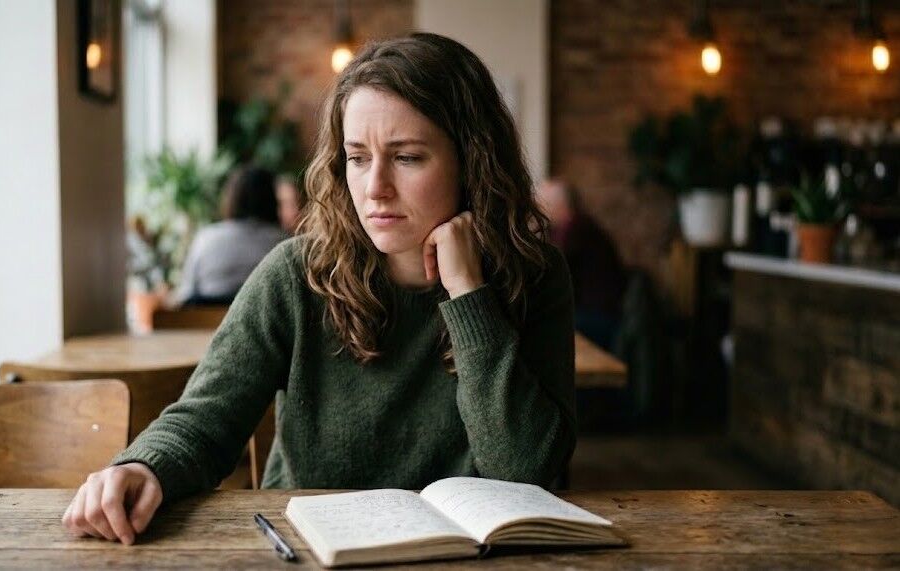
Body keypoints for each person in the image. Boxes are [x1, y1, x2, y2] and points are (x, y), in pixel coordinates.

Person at [62, 32, 576, 546]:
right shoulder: (296, 274)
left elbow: (525, 472)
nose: (375, 188)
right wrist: (143, 466)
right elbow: (205, 418)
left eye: (407, 157)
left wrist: (468, 294)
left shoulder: (532, 276)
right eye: (358, 158)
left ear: (472, 160)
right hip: (306, 551)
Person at [171, 166, 288, 306]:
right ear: (272, 200)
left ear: (231, 199)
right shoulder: (284, 243)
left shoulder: (206, 239)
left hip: (207, 319)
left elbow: (186, 294)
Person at [537, 179, 626, 351]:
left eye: (542, 203)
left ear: (559, 205)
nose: (538, 209)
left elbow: (550, 276)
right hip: (594, 313)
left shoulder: (576, 228)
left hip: (597, 317)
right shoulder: (571, 226)